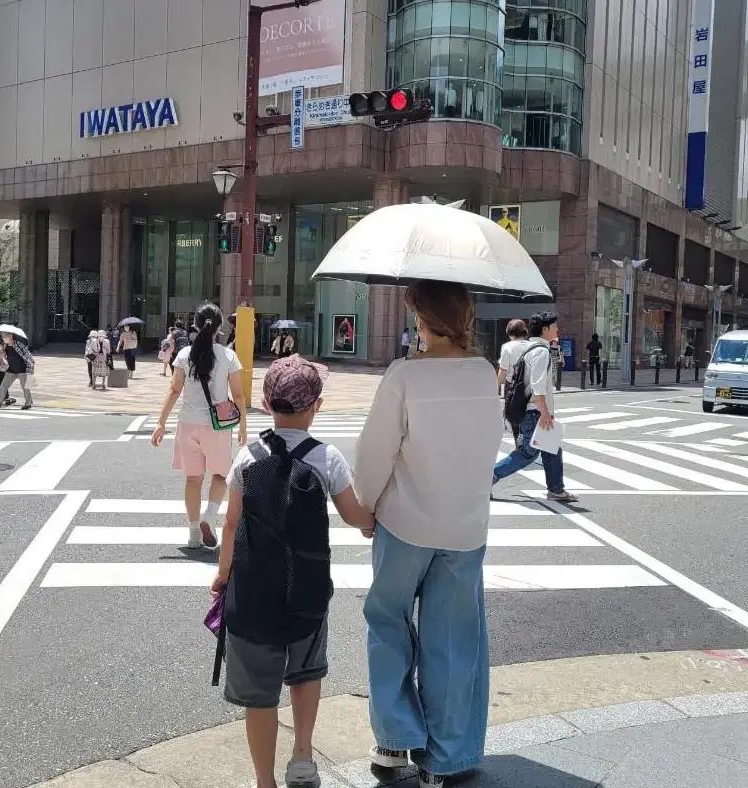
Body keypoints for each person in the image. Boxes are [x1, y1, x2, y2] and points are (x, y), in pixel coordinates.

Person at [353, 280, 504, 788]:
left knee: (389, 623)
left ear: (424, 319)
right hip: (464, 526)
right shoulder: (486, 375)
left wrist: (365, 506)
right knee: (453, 642)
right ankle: (446, 758)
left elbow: (375, 452)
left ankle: (396, 740)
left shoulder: (405, 376)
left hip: (405, 521)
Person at [211, 355, 374, 788]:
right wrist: (372, 523)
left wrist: (223, 575)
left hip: (252, 594)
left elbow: (230, 524)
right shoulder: (326, 458)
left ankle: (265, 780)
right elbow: (355, 514)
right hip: (307, 590)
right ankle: (302, 756)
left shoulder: (248, 455)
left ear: (266, 403)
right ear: (316, 406)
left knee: (260, 697)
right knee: (305, 673)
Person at [151, 302, 247, 549]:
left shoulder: (184, 355)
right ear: (219, 327)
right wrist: (243, 427)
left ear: (195, 324)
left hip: (188, 425)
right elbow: (238, 396)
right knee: (221, 474)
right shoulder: (228, 356)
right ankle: (210, 516)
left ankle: (194, 532)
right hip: (217, 427)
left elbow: (173, 390)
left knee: (193, 480)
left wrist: (161, 423)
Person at [492, 312, 579, 503]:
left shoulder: (533, 348)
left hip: (533, 409)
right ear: (545, 329)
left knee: (552, 449)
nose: (558, 329)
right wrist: (545, 412)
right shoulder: (540, 351)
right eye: (555, 326)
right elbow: (538, 385)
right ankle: (488, 478)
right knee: (527, 453)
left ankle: (556, 490)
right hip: (535, 411)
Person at [0, 332, 34, 409]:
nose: (3, 338)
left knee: (25, 387)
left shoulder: (18, 344)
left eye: (4, 337)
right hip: (11, 370)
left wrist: (30, 367)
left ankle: (28, 404)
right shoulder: (6, 346)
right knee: (3, 386)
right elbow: (5, 356)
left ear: (10, 336)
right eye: (2, 337)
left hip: (22, 369)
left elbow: (28, 355)